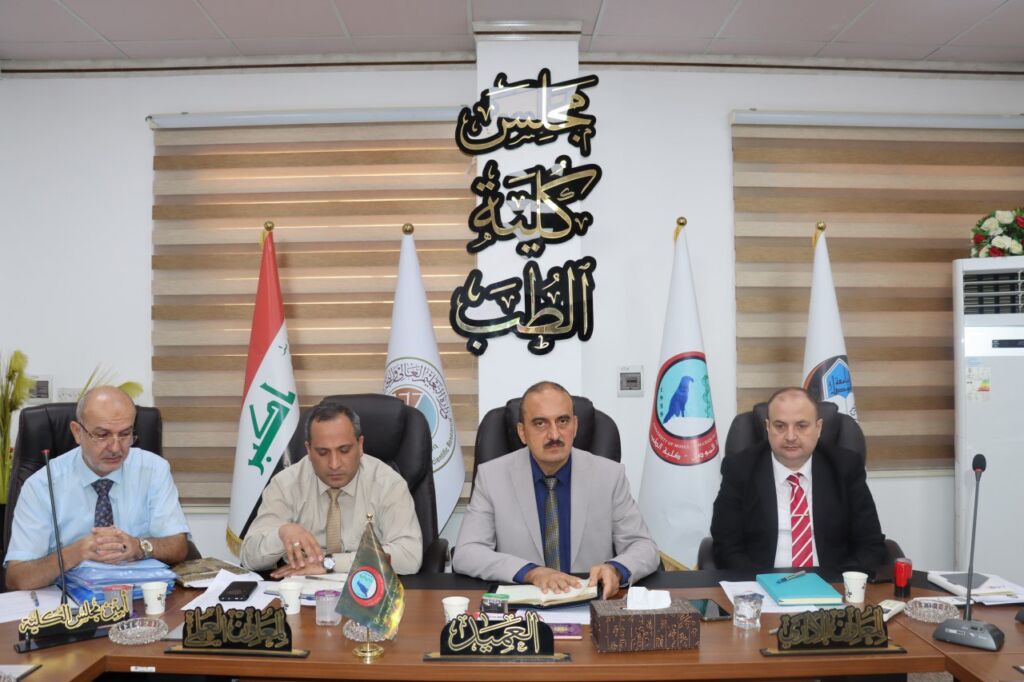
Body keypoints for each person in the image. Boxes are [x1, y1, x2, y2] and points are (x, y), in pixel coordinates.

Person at [453, 381, 658, 598]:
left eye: (562, 421)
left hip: (591, 601)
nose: (554, 435)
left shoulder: (609, 475)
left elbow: (643, 546)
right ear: (522, 432)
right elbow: (467, 553)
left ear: (575, 426)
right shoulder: (492, 477)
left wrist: (616, 569)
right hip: (525, 604)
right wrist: (530, 572)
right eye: (540, 423)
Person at [5, 387, 191, 590]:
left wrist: (140, 546)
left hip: (137, 596)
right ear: (77, 432)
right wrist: (75, 553)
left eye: (125, 434)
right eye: (102, 435)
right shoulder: (42, 485)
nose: (116, 448)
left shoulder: (154, 470)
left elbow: (179, 546)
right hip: (67, 601)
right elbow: (17, 578)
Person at [710, 387, 886, 573]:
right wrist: (761, 583)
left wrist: (839, 582)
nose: (790, 436)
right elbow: (726, 547)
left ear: (818, 428)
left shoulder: (845, 467)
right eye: (780, 426)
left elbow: (870, 544)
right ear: (768, 427)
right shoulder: (740, 469)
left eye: (801, 426)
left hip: (832, 582)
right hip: (761, 582)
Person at [240, 399, 422, 576]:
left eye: (344, 450)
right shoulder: (286, 484)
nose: (334, 464)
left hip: (368, 586)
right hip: (301, 587)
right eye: (322, 452)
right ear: (308, 450)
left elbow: (410, 556)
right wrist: (281, 534)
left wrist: (330, 564)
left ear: (360, 446)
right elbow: (248, 557)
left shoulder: (387, 483)